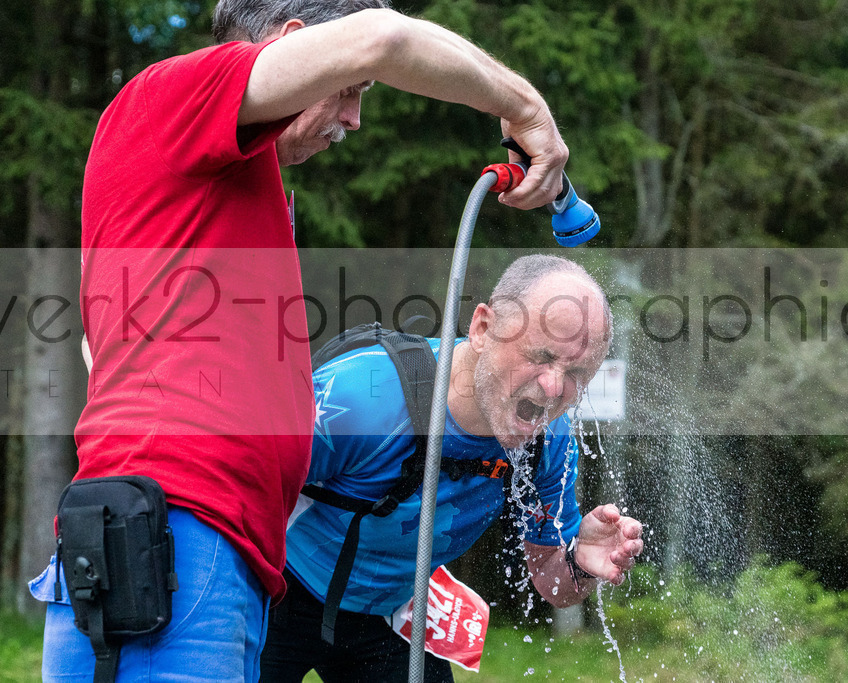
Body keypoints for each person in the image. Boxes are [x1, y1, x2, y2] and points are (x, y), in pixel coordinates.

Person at [28, 1, 571, 681]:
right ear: (295, 45)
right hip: (177, 535)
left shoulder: (223, 186)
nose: (354, 118)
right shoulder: (173, 94)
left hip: (205, 547)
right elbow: (382, 35)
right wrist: (526, 109)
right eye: (350, 91)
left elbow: (100, 343)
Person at [260, 255, 644, 682]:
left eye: (576, 372)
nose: (553, 387)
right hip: (277, 587)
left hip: (391, 613)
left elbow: (552, 583)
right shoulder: (363, 400)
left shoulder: (548, 443)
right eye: (540, 355)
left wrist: (581, 564)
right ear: (482, 328)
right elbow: (230, 496)